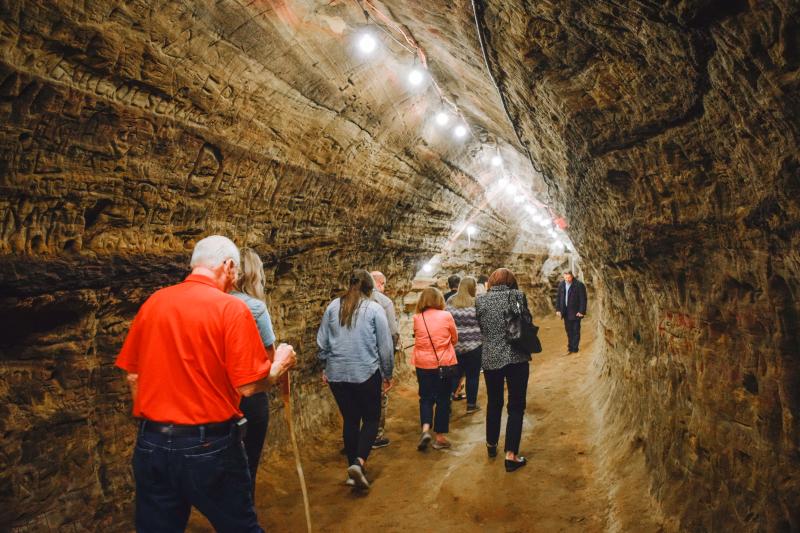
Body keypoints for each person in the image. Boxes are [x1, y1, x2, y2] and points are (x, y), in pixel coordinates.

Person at [115, 235, 297, 532]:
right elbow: (250, 386)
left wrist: (157, 420)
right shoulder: (231, 309)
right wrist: (280, 365)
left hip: (152, 442)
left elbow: (133, 375)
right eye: (235, 271)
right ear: (227, 266)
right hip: (209, 443)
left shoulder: (154, 303)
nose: (236, 278)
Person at [317, 270, 394, 490]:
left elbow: (322, 342)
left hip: (337, 375)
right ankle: (359, 463)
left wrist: (326, 367)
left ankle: (352, 468)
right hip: (365, 373)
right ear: (370, 288)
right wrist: (387, 374)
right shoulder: (374, 309)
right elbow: (385, 347)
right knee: (371, 419)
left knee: (350, 420)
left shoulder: (333, 306)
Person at [230, 248, 277, 497]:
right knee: (247, 461)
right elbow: (270, 358)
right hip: (249, 394)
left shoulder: (215, 302)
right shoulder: (255, 308)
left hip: (217, 394)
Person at [475, 268, 532, 473]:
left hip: (491, 358)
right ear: (511, 281)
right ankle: (511, 455)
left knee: (494, 402)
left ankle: (491, 445)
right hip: (516, 357)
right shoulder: (517, 295)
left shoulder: (480, 301)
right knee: (516, 405)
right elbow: (526, 321)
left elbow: (481, 327)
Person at [412, 287, 458, 451]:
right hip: (443, 364)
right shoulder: (446, 316)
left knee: (425, 397)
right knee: (443, 399)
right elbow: (454, 338)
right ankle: (439, 437)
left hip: (422, 364)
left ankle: (425, 429)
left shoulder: (418, 318)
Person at [370, 270, 399, 449]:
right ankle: (375, 435)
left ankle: (356, 435)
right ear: (380, 283)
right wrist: (388, 369)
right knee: (379, 398)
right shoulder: (384, 302)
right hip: (377, 360)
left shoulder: (344, 302)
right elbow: (392, 333)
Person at [446, 276, 483, 413]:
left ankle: (448, 401)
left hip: (455, 345)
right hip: (474, 345)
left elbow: (446, 319)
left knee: (455, 375)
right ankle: (471, 405)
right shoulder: (477, 301)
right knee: (472, 376)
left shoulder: (450, 300)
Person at [555, 270, 588, 354]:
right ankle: (570, 347)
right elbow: (558, 298)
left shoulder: (579, 285)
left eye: (569, 277)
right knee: (569, 330)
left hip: (576, 312)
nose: (567, 279)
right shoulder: (561, 284)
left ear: (572, 276)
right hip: (565, 312)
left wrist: (581, 311)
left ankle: (575, 348)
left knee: (576, 330)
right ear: (563, 276)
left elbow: (583, 299)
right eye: (565, 277)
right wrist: (558, 309)